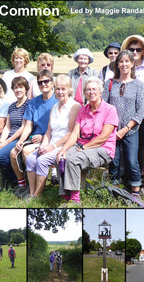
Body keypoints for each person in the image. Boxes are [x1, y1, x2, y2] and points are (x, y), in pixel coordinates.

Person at [56, 77, 119, 205]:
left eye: (94, 89)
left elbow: (103, 138)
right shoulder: (83, 110)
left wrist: (84, 148)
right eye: (88, 90)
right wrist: (63, 149)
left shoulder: (110, 110)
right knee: (61, 158)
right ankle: (66, 196)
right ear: (84, 93)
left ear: (101, 92)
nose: (91, 92)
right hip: (83, 145)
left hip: (103, 149)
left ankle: (75, 199)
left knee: (73, 159)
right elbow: (75, 133)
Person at [25, 75, 81, 199]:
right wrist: (43, 146)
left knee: (41, 160)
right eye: (58, 89)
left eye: (63, 89)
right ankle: (32, 193)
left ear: (69, 90)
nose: (60, 92)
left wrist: (52, 146)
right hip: (51, 144)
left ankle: (38, 195)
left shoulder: (74, 106)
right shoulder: (54, 107)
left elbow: (71, 133)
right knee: (30, 159)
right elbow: (49, 131)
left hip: (63, 146)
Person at [102, 50, 144, 198]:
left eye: (127, 61)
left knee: (131, 161)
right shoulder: (110, 83)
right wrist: (111, 129)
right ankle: (114, 189)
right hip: (111, 130)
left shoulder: (139, 85)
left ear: (132, 64)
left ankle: (135, 191)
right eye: (121, 61)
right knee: (113, 161)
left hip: (131, 130)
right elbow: (103, 107)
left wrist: (126, 129)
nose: (124, 64)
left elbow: (140, 111)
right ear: (117, 64)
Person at [121, 35, 144, 195]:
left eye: (138, 49)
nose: (135, 52)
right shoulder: (125, 67)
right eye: (131, 49)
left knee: (143, 148)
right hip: (126, 111)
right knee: (128, 149)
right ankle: (129, 181)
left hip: (143, 111)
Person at [10, 70, 58, 196]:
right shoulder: (33, 102)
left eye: (46, 81)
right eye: (40, 82)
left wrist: (43, 137)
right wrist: (21, 140)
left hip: (51, 139)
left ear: (52, 83)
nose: (43, 84)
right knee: (14, 153)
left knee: (26, 152)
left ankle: (37, 187)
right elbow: (28, 126)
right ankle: (23, 184)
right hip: (34, 138)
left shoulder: (57, 100)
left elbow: (59, 128)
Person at [0, 77, 30, 186]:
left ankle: (18, 180)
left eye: (21, 87)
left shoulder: (28, 104)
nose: (18, 90)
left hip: (19, 138)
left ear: (26, 89)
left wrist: (6, 142)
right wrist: (1, 141)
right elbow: (7, 127)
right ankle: (5, 178)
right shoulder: (12, 106)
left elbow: (23, 127)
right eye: (16, 88)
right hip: (8, 138)